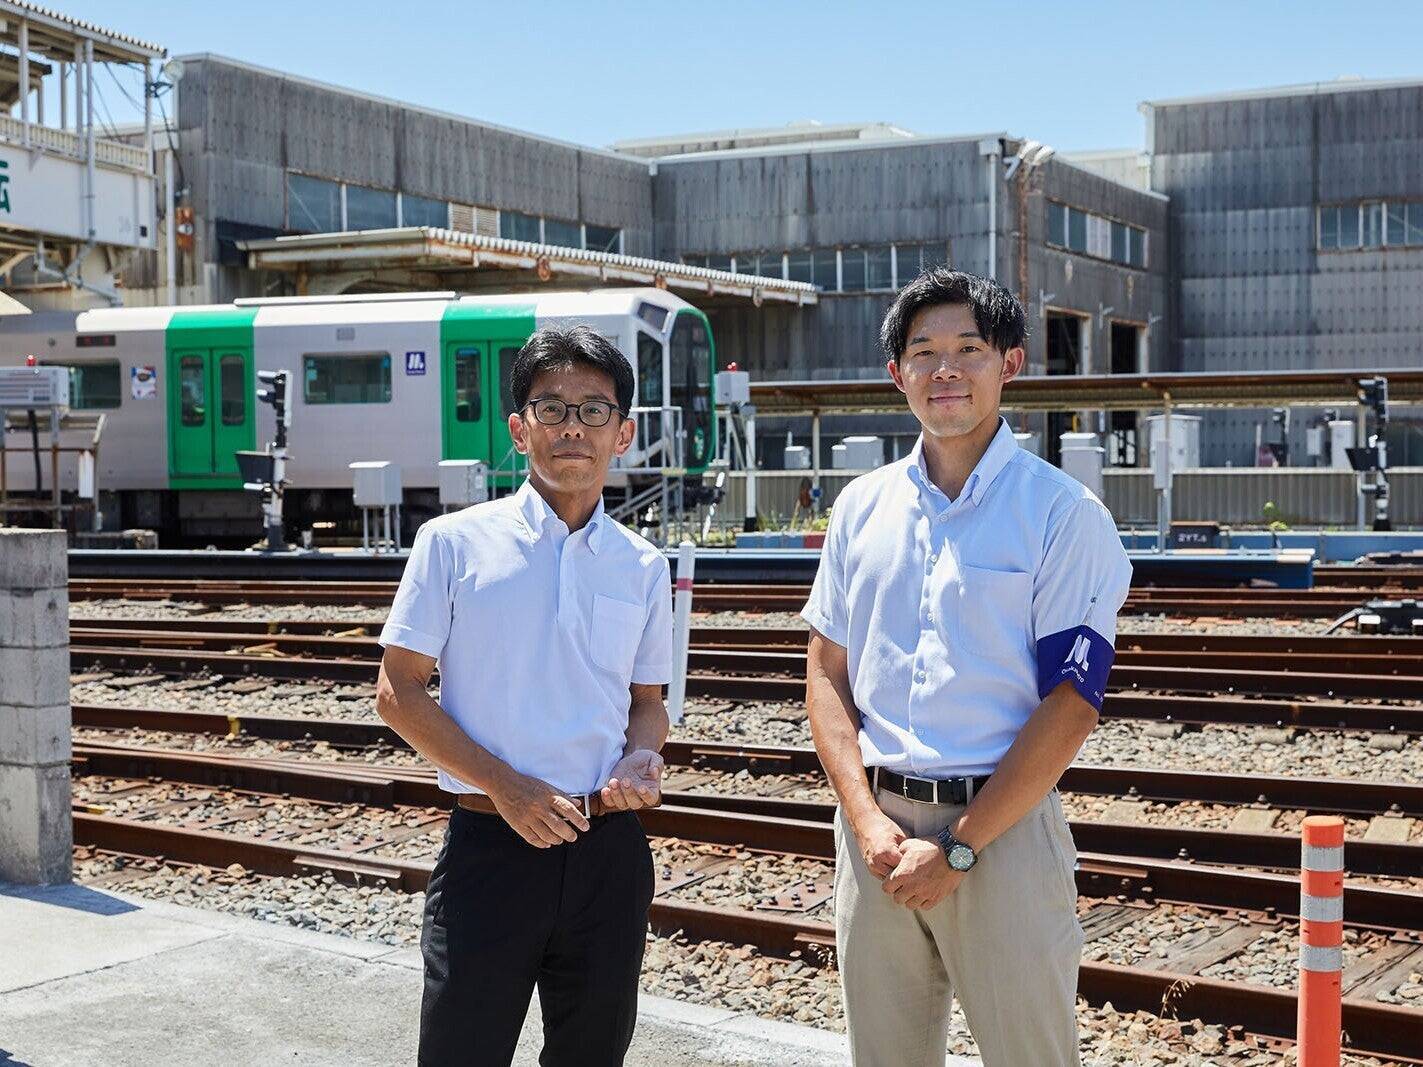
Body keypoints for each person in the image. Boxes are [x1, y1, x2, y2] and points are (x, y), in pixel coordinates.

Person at [802, 269, 1132, 1067]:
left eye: (967, 349)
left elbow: (1071, 703)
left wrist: (958, 847)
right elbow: (825, 675)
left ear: (1008, 364)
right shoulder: (861, 507)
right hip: (874, 835)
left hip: (1002, 831)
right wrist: (864, 816)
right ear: (896, 373)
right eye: (922, 352)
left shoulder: (1059, 513)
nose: (943, 369)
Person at [376, 325, 673, 1067]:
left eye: (594, 409)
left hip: (608, 851)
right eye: (552, 407)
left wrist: (642, 754)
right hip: (490, 848)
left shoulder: (640, 565)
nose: (573, 425)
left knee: (591, 1055)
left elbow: (647, 699)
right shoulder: (452, 543)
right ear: (518, 428)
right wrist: (506, 788)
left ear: (624, 433)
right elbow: (397, 691)